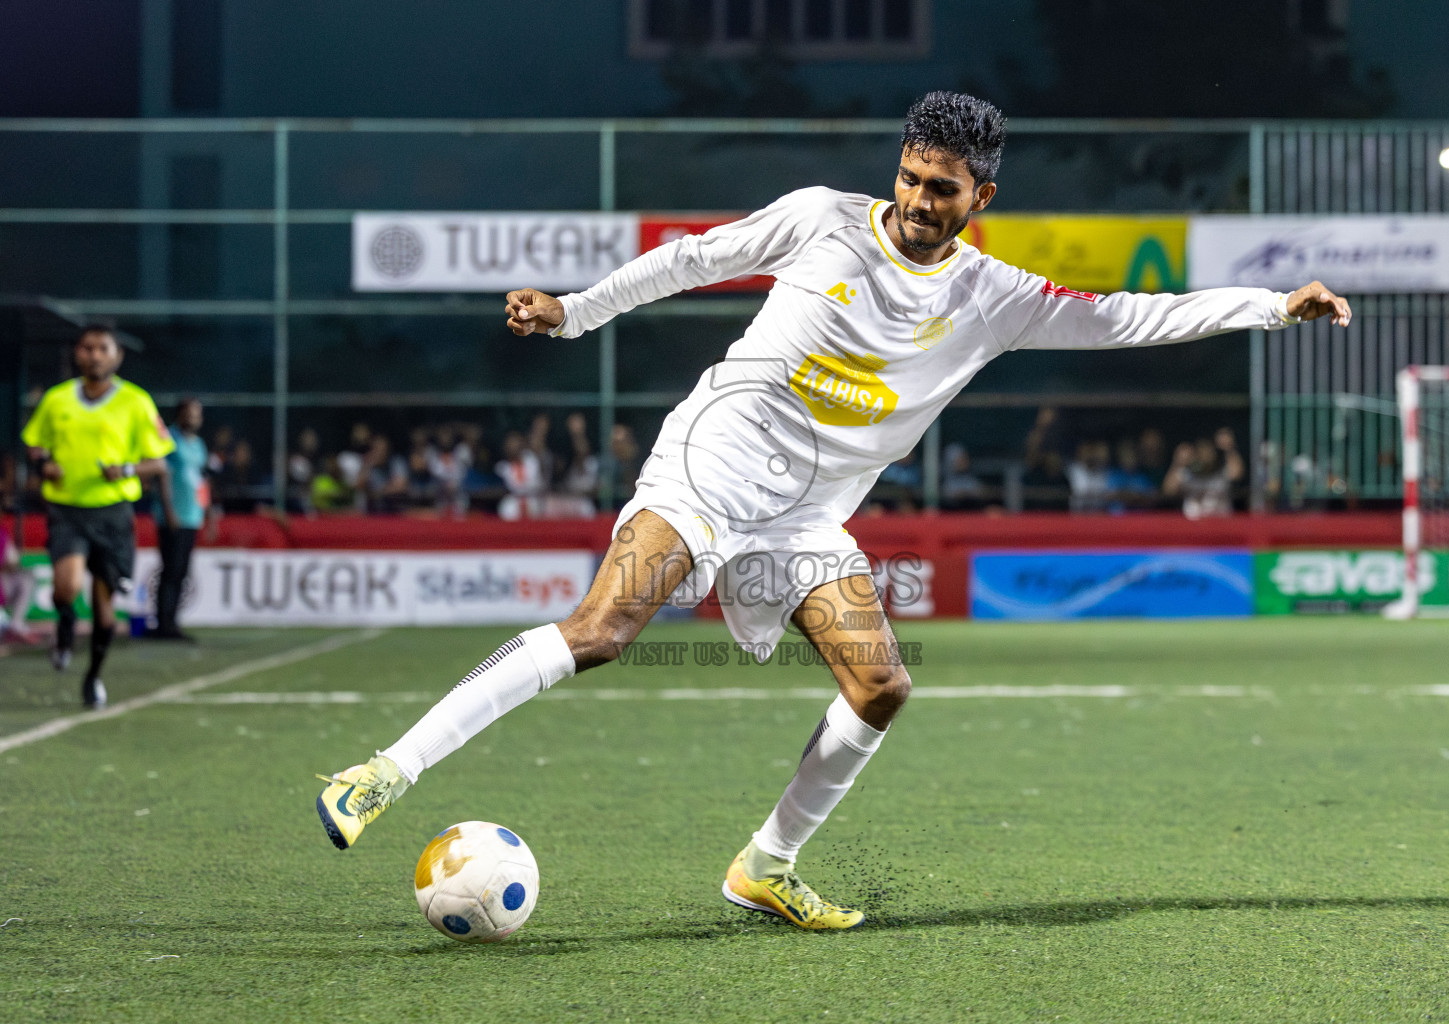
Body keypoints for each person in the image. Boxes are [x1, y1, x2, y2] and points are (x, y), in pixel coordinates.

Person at [316, 91, 1352, 930]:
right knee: (604, 630)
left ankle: (765, 866)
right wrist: (578, 310)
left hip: (808, 513)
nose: (916, 201)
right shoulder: (820, 217)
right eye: (909, 177)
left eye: (941, 189)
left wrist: (1270, 305)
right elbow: (694, 257)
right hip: (710, 464)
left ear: (978, 195)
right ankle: (379, 773)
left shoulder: (995, 296)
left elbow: (1126, 315)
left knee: (881, 682)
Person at [20, 326, 174, 708]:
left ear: (117, 355)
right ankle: (66, 624)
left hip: (112, 514)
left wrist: (124, 470)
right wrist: (46, 465)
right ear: (77, 354)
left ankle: (93, 677)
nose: (94, 355)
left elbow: (158, 461)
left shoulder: (136, 402)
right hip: (67, 508)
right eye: (87, 348)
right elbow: (34, 445)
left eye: (102, 348)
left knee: (106, 612)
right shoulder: (57, 400)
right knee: (65, 588)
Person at [149, 398, 208, 641]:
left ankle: (172, 621)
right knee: (170, 569)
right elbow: (163, 474)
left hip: (192, 515)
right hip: (173, 515)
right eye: (190, 413)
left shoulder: (200, 445)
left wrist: (208, 511)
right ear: (180, 415)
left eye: (197, 414)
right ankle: (164, 624)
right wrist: (169, 510)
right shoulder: (169, 438)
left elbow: (201, 480)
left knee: (182, 570)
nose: (194, 418)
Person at [1162, 428, 1244, 519]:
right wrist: (1177, 462)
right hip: (1193, 525)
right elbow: (1169, 490)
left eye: (1208, 451)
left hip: (1221, 523)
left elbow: (1237, 473)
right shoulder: (1187, 473)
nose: (1205, 455)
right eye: (1201, 451)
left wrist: (1229, 448)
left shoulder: (1222, 471)